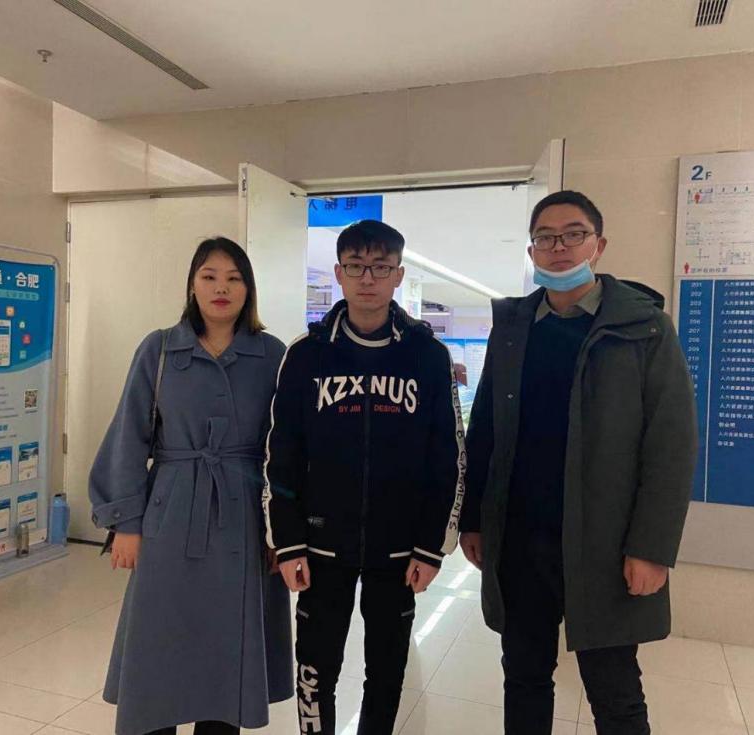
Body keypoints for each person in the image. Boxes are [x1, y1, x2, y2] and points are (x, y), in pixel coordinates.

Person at [460, 191, 697, 735]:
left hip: (604, 544)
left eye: (574, 234)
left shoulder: (644, 328)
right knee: (524, 677)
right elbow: (486, 428)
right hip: (521, 540)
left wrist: (652, 547)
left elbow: (671, 446)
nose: (559, 247)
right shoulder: (514, 327)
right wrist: (474, 518)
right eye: (545, 237)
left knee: (614, 690)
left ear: (599, 245)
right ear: (532, 251)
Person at [263, 220, 465, 735]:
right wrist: (287, 543)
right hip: (319, 546)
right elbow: (281, 455)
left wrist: (431, 547)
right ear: (338, 273)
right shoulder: (306, 355)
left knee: (388, 671)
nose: (367, 278)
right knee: (315, 670)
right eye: (356, 266)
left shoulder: (427, 356)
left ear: (398, 274)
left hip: (398, 550)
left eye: (380, 267)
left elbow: (446, 458)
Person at [89, 238, 294, 735]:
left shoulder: (272, 354)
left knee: (227, 648)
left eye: (234, 278)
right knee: (160, 638)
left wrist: (282, 534)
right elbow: (129, 435)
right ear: (192, 285)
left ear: (249, 288)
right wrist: (126, 523)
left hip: (244, 517)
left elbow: (286, 448)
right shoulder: (160, 348)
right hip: (170, 512)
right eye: (209, 276)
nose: (222, 287)